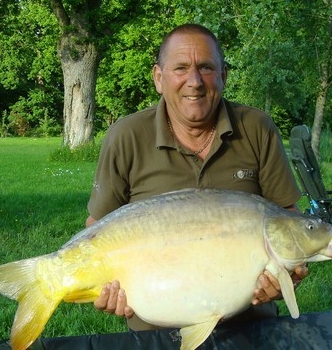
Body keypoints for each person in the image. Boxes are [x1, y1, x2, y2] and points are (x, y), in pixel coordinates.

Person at [86, 23, 308, 330]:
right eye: (180, 68)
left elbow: (288, 222)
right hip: (156, 329)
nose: (194, 81)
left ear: (223, 76)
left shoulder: (257, 127)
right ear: (158, 78)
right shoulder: (126, 135)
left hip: (250, 324)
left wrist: (288, 278)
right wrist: (104, 286)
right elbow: (97, 228)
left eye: (206, 67)